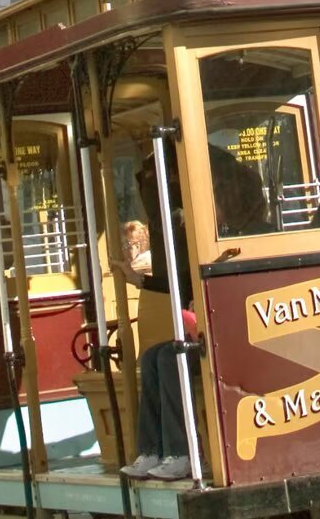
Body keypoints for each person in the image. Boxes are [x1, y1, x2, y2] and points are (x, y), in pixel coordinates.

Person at [118, 152, 197, 482]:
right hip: (198, 327)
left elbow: (188, 280)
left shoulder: (186, 219)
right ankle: (152, 450)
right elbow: (182, 283)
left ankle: (182, 453)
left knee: (170, 358)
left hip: (217, 333)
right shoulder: (172, 221)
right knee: (153, 357)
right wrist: (140, 280)